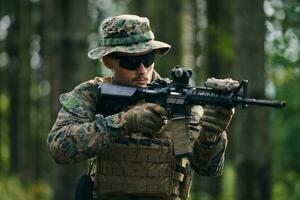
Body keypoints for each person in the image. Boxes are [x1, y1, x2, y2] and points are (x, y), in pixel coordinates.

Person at [47, 14, 235, 200]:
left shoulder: (177, 100)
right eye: (130, 62)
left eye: (147, 58)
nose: (142, 70)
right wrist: (125, 122)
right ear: (108, 61)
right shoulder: (93, 94)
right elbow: (59, 146)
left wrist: (211, 134)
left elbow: (206, 167)